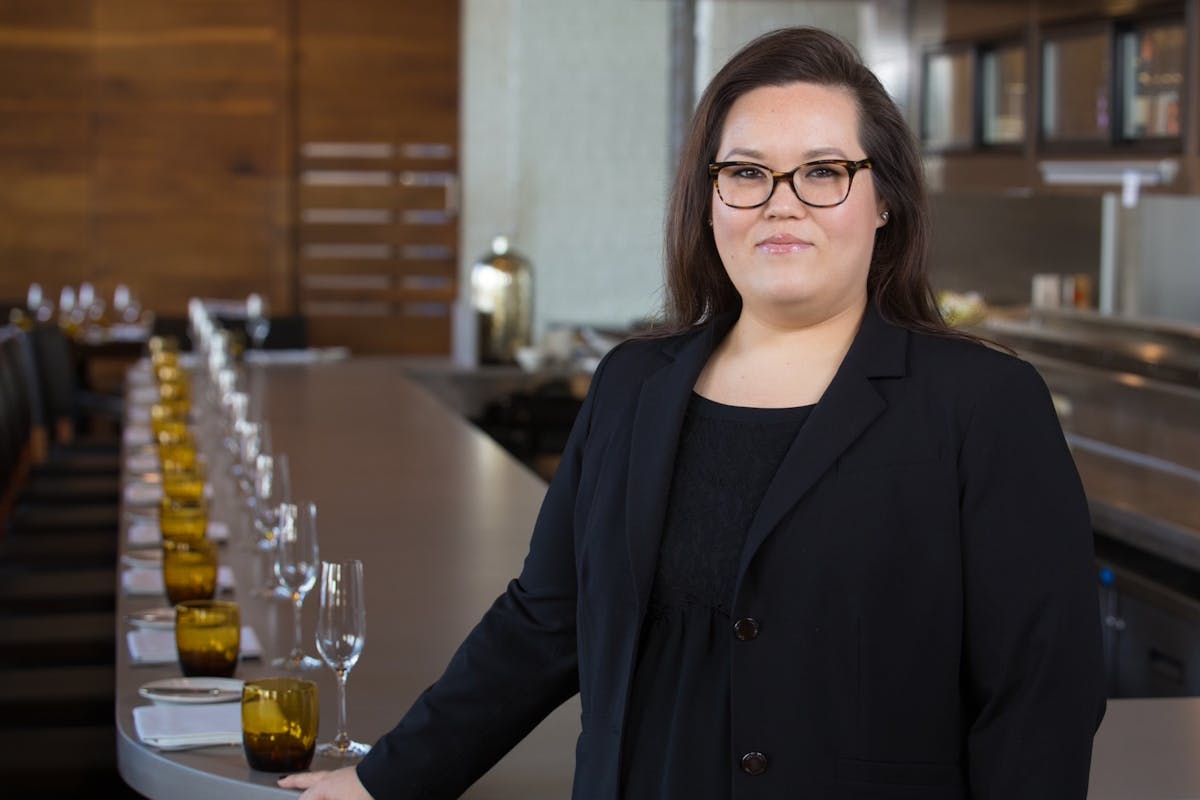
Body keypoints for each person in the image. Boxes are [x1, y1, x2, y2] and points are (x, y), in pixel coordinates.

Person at [281, 26, 1106, 800]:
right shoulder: (634, 386)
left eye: (824, 172)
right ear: (710, 200)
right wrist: (382, 781)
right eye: (746, 172)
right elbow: (544, 621)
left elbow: (1043, 693)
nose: (781, 203)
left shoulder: (982, 405)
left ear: (884, 200)